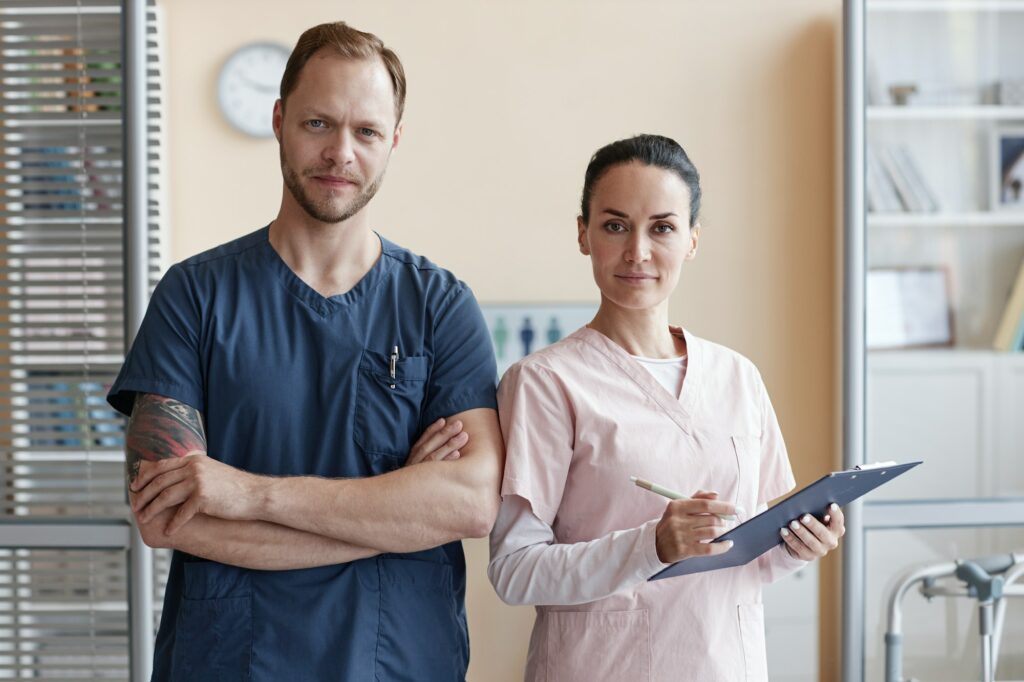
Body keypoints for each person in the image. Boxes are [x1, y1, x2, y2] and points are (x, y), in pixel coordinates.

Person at [109, 21, 504, 681]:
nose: (340, 152)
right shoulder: (195, 296)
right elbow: (165, 517)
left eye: (366, 132)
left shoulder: (439, 306)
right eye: (319, 123)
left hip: (397, 661)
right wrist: (397, 506)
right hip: (233, 662)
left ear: (394, 141)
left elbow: (469, 503)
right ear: (280, 119)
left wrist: (246, 494)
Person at [487, 134, 845, 681]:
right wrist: (652, 544)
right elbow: (514, 570)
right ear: (583, 234)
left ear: (692, 240)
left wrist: (800, 544)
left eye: (662, 228)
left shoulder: (737, 377)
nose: (638, 252)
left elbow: (755, 554)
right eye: (614, 225)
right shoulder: (545, 382)